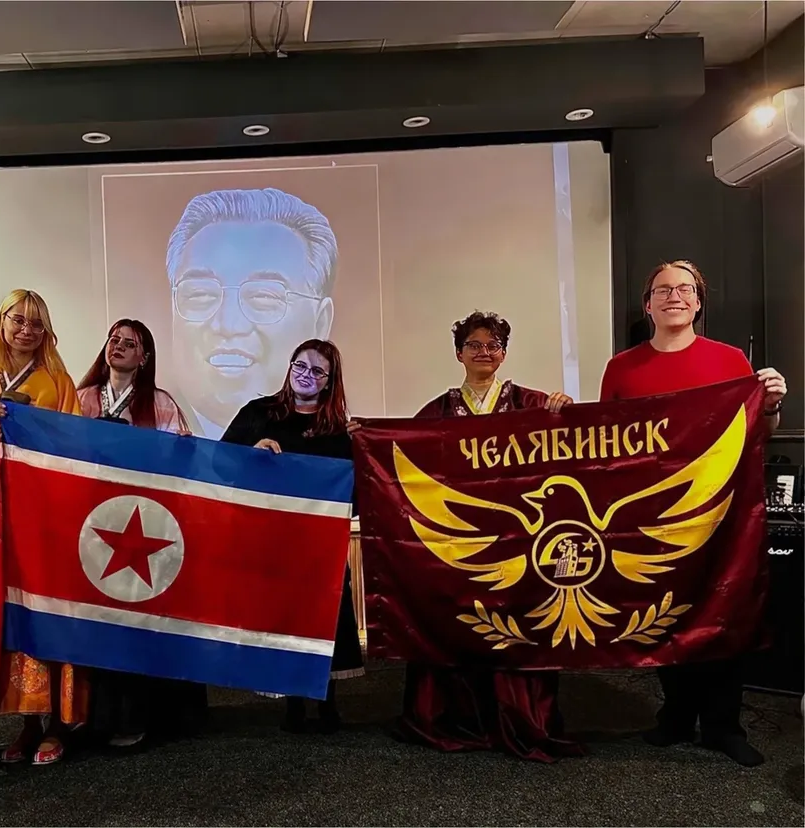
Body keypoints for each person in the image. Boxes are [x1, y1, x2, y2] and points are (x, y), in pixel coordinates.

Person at [599, 260, 787, 767]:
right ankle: (677, 717)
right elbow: (608, 445)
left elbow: (758, 434)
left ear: (698, 302)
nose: (674, 296)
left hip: (721, 512)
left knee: (723, 614)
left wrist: (770, 405)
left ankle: (724, 726)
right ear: (648, 304)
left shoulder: (729, 360)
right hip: (653, 515)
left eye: (685, 289)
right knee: (665, 616)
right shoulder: (621, 368)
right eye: (663, 289)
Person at [396, 310, 580, 763]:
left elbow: (572, 444)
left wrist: (564, 410)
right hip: (460, 542)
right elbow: (402, 453)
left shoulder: (530, 403)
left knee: (517, 627)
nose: (484, 352)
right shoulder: (438, 411)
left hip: (519, 540)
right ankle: (458, 719)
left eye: (493, 345)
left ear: (504, 353)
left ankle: (521, 719)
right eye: (474, 345)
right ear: (458, 353)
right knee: (455, 623)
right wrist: (365, 436)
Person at [0, 288, 89, 766]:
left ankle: (58, 725)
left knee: (50, 614)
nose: (26, 330)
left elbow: (76, 451)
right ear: (2, 322)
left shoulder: (59, 382)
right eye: (18, 320)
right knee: (12, 617)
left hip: (48, 519)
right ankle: (27, 723)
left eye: (36, 322)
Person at [76, 319, 208, 748]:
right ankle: (93, 718)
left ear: (144, 357)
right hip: (94, 525)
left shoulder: (161, 404)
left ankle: (137, 716)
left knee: (138, 621)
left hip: (144, 525)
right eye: (113, 339)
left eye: (129, 343)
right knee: (98, 622)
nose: (118, 347)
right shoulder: (81, 399)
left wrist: (180, 451)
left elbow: (181, 465)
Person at [221, 339, 364, 732]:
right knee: (285, 616)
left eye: (317, 371)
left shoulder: (339, 431)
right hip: (273, 540)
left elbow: (357, 494)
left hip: (322, 545)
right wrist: (252, 452)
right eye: (300, 366)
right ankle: (293, 705)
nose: (306, 375)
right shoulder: (259, 414)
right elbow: (219, 461)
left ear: (330, 381)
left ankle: (328, 702)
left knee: (327, 616)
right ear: (289, 366)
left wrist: (367, 448)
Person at [166, 188, 339, 439]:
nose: (228, 325)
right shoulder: (155, 425)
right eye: (200, 294)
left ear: (320, 322)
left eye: (264, 297)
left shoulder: (335, 433)